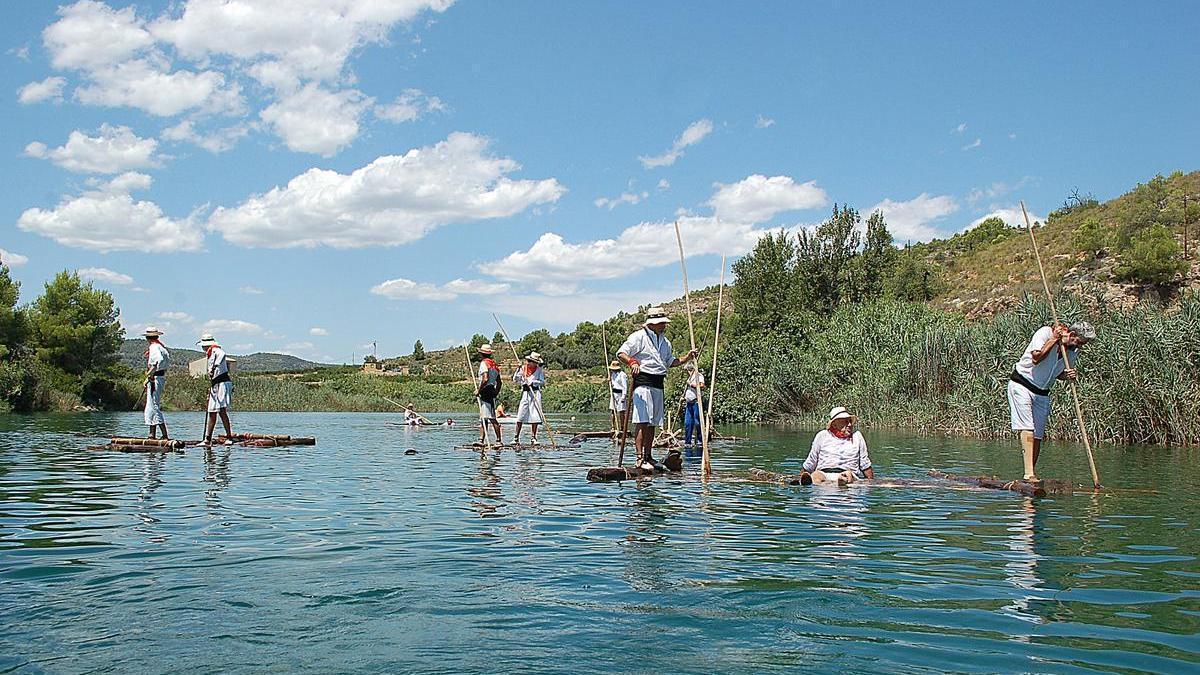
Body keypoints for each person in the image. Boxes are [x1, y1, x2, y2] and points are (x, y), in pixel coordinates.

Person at [1007, 321, 1096, 482]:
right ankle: (1029, 474)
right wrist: (1054, 340)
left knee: (1038, 435)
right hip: (1022, 385)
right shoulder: (1045, 333)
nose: (1081, 346)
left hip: (1042, 393)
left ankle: (1031, 473)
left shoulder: (1072, 352)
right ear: (1073, 335)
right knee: (1028, 427)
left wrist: (1067, 375)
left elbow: (1057, 374)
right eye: (1080, 342)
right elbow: (1036, 358)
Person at [617, 306, 698, 471]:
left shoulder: (665, 342)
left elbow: (671, 362)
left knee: (653, 422)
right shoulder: (639, 337)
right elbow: (621, 353)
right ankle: (640, 458)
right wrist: (632, 362)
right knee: (642, 421)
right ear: (652, 323)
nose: (663, 325)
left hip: (658, 384)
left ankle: (649, 456)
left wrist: (687, 357)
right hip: (642, 383)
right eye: (660, 322)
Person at [803, 407, 874, 485]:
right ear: (834, 424)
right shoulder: (822, 435)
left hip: (849, 473)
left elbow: (865, 464)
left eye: (850, 421)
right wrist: (803, 474)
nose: (849, 424)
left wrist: (871, 481)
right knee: (816, 475)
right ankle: (811, 480)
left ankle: (841, 481)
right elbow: (811, 461)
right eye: (845, 422)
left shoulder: (857, 437)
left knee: (847, 475)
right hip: (824, 473)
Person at [197, 333, 234, 446]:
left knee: (221, 410)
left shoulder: (217, 351)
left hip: (222, 383)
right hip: (215, 384)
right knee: (211, 411)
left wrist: (215, 366)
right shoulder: (210, 353)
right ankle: (207, 439)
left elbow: (222, 355)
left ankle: (229, 437)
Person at [142, 327, 170, 439]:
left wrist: (149, 375)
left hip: (156, 378)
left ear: (148, 338)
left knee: (153, 405)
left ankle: (164, 434)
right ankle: (152, 434)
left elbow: (156, 362)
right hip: (159, 377)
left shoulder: (154, 347)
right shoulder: (161, 347)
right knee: (151, 406)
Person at [513, 352, 546, 445]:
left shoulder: (539, 370)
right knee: (521, 415)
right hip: (525, 393)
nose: (531, 363)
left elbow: (542, 382)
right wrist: (518, 369)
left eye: (534, 362)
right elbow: (515, 380)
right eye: (531, 361)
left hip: (535, 393)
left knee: (535, 416)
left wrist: (533, 382)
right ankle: (516, 438)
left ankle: (533, 438)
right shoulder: (523, 369)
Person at [475, 344, 503, 445]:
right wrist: (495, 392)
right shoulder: (494, 365)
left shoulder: (484, 364)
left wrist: (479, 390)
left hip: (486, 391)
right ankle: (481, 439)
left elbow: (485, 379)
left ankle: (498, 440)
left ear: (481, 354)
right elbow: (499, 383)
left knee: (490, 417)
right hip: (491, 390)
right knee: (484, 416)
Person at [682, 361, 706, 448]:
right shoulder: (690, 377)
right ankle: (687, 441)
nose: (687, 372)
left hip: (696, 402)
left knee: (697, 422)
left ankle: (700, 440)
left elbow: (702, 385)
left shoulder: (698, 376)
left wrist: (692, 385)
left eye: (688, 370)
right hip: (689, 403)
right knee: (688, 423)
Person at [607, 359, 626, 440]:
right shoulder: (612, 374)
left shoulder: (622, 375)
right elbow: (612, 384)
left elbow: (625, 386)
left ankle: (622, 427)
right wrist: (609, 381)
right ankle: (613, 426)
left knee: (621, 412)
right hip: (613, 393)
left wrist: (623, 397)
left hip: (620, 394)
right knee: (612, 410)